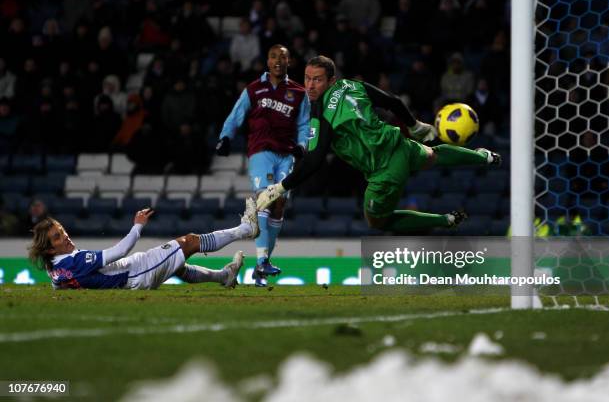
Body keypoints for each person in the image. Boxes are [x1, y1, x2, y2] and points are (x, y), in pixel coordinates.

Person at [257, 55, 502, 234]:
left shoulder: (321, 112)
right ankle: (484, 157)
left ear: (331, 80)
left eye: (318, 80)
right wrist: (415, 125)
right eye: (307, 79)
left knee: (377, 221)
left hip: (383, 172)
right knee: (433, 155)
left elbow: (315, 160)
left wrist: (279, 188)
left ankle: (444, 220)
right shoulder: (352, 85)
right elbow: (392, 101)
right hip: (400, 144)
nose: (310, 85)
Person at [216, 44, 309, 287]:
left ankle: (263, 265)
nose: (278, 60)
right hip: (261, 152)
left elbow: (304, 125)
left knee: (279, 204)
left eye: (283, 57)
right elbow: (237, 114)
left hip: (286, 155)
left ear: (289, 62)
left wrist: (302, 145)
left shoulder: (299, 93)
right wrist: (225, 137)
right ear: (267, 61)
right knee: (265, 200)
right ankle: (261, 262)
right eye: (274, 56)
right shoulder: (254, 89)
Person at [28, 198, 259, 290]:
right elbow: (119, 251)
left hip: (132, 275)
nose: (65, 236)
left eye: (62, 230)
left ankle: (224, 277)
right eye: (58, 237)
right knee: (189, 242)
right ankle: (246, 229)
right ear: (50, 249)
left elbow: (60, 285)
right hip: (137, 273)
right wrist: (137, 225)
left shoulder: (55, 268)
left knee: (179, 267)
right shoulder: (75, 261)